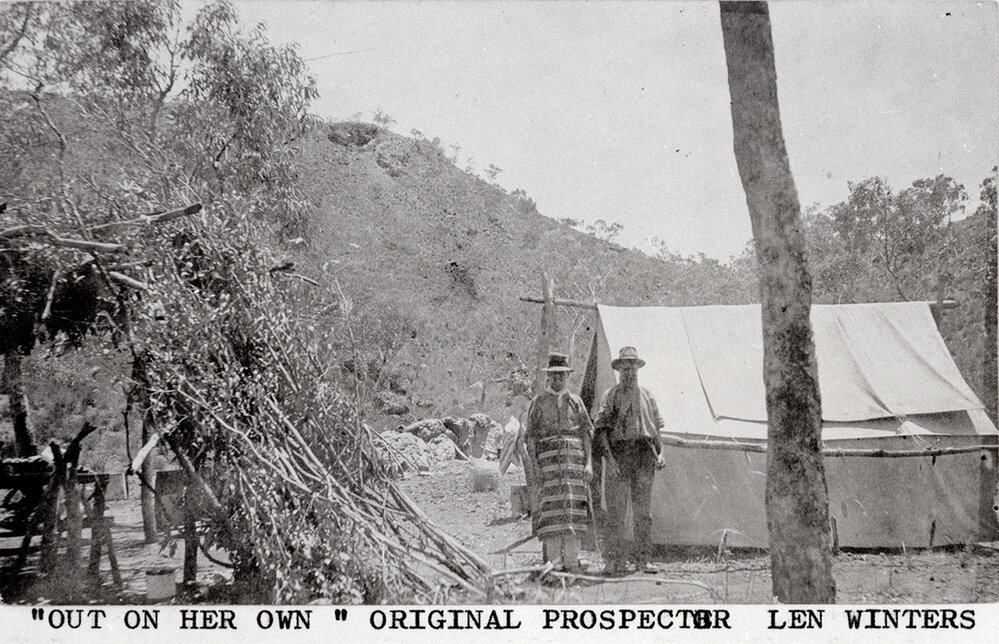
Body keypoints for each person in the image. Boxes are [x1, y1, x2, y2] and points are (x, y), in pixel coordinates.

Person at [594, 346, 666, 574]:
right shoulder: (611, 396)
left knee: (643, 512)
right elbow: (601, 430)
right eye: (625, 369)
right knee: (616, 511)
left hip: (644, 455)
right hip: (620, 454)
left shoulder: (647, 395)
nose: (629, 373)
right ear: (618, 370)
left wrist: (661, 452)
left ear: (637, 369)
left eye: (632, 368)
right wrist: (610, 460)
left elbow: (656, 428)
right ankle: (613, 559)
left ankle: (643, 559)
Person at [523, 352, 594, 572]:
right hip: (549, 465)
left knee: (574, 511)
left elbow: (586, 434)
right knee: (551, 511)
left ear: (567, 377)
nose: (557, 379)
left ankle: (572, 562)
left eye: (561, 375)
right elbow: (531, 438)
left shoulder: (576, 402)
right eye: (553, 375)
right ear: (548, 377)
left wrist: (588, 464)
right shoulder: (538, 402)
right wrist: (535, 467)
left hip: (574, 465)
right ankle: (554, 563)